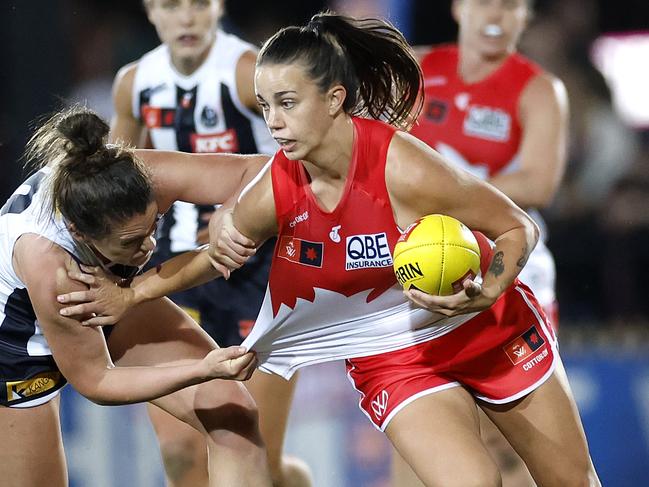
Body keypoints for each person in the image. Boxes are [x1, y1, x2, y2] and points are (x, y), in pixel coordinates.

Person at [59, 13, 600, 487]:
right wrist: (133, 294)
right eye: (266, 105)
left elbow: (516, 228)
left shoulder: (403, 167)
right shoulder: (277, 185)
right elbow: (212, 259)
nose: (272, 121)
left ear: (334, 99)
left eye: (288, 104)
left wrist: (489, 291)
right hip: (392, 355)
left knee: (571, 480)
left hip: (488, 328)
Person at [0, 106, 272, 487]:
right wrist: (202, 368)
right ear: (80, 233)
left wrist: (228, 215)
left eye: (153, 225)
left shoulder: (136, 175)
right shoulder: (53, 265)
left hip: (108, 291)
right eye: (131, 241)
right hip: (17, 348)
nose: (149, 246)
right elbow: (97, 382)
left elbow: (261, 173)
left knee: (233, 416)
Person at [110, 1, 311, 486]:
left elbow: (308, 160)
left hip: (260, 275)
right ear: (150, 10)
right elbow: (113, 184)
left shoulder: (249, 72)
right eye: (171, 5)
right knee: (182, 454)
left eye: (199, 3)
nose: (186, 19)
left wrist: (238, 210)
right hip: (174, 276)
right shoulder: (134, 83)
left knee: (255, 451)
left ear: (219, 6)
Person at [405, 0, 569, 484]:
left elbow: (539, 183)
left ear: (526, 16)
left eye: (511, 3)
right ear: (457, 8)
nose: (496, 13)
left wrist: (446, 189)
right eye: (484, 1)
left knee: (506, 438)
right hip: (420, 261)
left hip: (509, 262)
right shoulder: (413, 68)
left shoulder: (538, 89)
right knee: (424, 426)